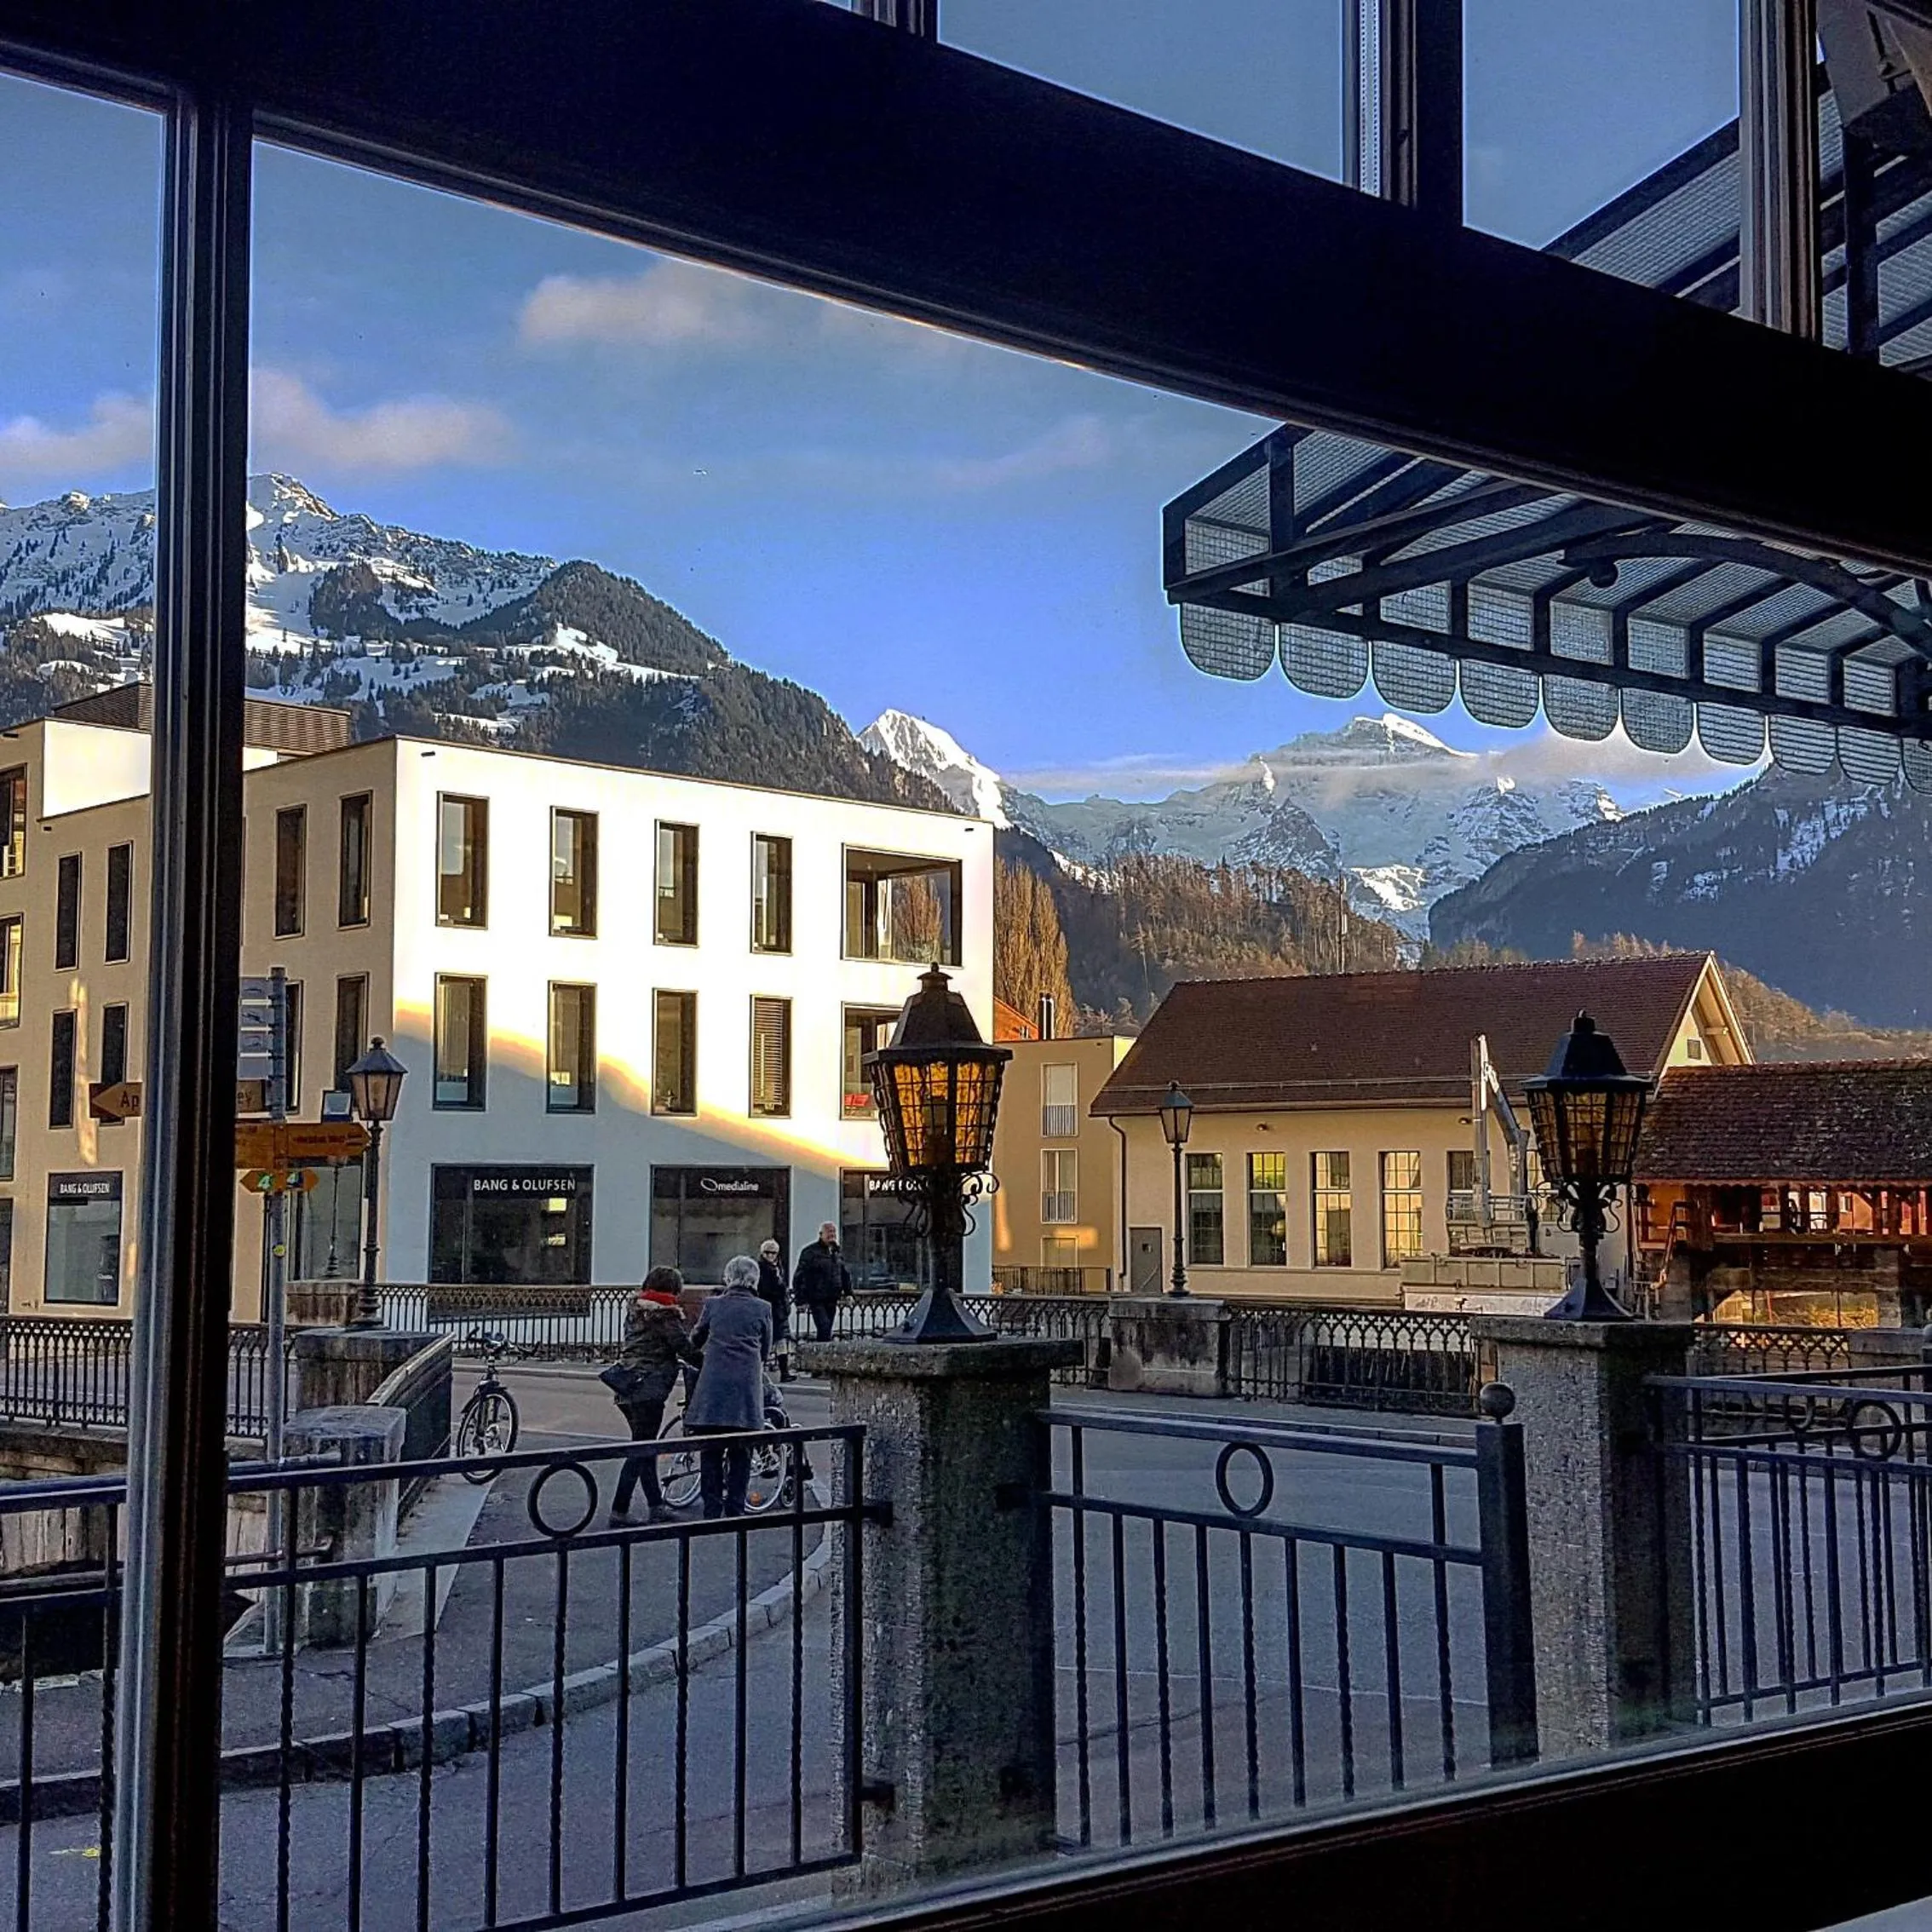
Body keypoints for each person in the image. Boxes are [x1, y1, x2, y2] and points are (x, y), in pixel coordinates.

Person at [685, 1254, 773, 1518]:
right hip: (745, 1388)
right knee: (741, 1453)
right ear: (754, 1280)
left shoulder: (713, 1305)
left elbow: (696, 1338)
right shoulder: (763, 1308)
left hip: (713, 1387)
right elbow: (765, 1350)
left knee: (710, 1452)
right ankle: (735, 1509)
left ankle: (711, 1510)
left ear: (728, 1277)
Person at [607, 1266, 694, 1526]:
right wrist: (710, 1361)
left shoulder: (635, 1311)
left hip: (627, 1384)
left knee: (644, 1448)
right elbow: (683, 1347)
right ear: (672, 1289)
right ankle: (619, 1510)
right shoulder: (665, 1316)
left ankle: (656, 1505)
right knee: (641, 1449)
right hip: (649, 1388)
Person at [791, 1222, 850, 1345]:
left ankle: (821, 1354)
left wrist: (849, 1292)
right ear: (821, 1234)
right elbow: (799, 1276)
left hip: (832, 1297)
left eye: (833, 1232)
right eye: (829, 1232)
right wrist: (800, 1300)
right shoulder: (810, 1252)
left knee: (826, 1330)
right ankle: (821, 1355)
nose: (832, 1235)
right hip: (816, 1298)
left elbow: (844, 1273)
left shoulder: (836, 1252)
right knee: (824, 1328)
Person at [756, 1239, 793, 1379]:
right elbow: (766, 1289)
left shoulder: (778, 1268)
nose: (771, 1256)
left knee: (781, 1341)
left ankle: (784, 1371)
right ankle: (761, 1371)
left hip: (779, 1310)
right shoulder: (761, 1269)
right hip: (769, 1308)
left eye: (773, 1253)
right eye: (768, 1253)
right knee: (765, 1341)